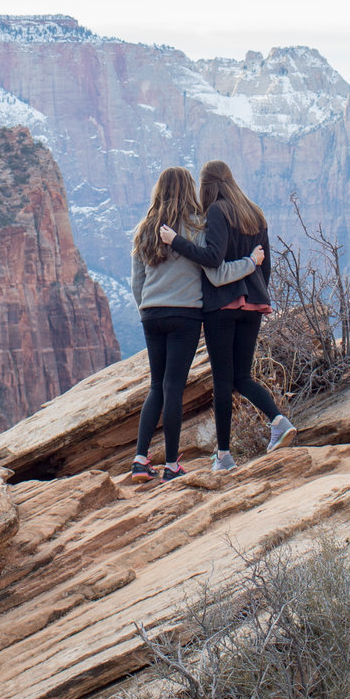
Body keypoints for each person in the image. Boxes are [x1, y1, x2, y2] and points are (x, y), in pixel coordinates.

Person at [127, 166, 256, 482]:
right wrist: (251, 263)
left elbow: (136, 282)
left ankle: (141, 460)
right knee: (174, 386)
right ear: (189, 191)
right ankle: (172, 465)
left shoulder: (145, 229)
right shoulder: (197, 226)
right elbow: (216, 272)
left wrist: (147, 307)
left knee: (157, 385)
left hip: (151, 314)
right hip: (185, 315)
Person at [191, 159, 295, 471]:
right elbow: (266, 269)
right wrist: (254, 291)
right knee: (242, 376)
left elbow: (212, 258)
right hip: (253, 305)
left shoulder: (217, 212)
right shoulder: (255, 213)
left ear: (208, 186)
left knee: (223, 381)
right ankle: (278, 421)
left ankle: (223, 456)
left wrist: (180, 244)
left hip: (222, 305)